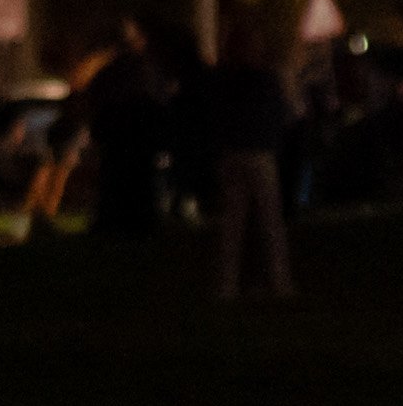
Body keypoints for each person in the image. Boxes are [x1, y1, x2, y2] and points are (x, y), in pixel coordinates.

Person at [187, 28, 298, 301]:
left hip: (234, 154)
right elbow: (281, 115)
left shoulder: (225, 80)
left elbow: (214, 117)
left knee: (233, 225)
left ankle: (229, 285)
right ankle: (279, 283)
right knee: (269, 222)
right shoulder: (265, 78)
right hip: (259, 154)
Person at [75, 23, 182, 241]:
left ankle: (118, 227)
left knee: (116, 191)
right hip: (137, 145)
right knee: (139, 194)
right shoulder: (144, 72)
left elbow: (94, 106)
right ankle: (137, 227)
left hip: (119, 146)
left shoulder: (111, 74)